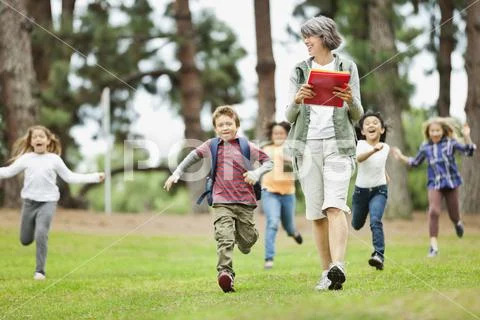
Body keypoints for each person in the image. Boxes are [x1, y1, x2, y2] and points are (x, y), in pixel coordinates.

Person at [285, 16, 363, 290]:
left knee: (335, 205)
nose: (306, 41)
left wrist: (349, 100)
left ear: (325, 37)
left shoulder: (347, 66)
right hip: (307, 146)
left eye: (311, 36)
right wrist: (298, 99)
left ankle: (339, 265)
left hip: (338, 144)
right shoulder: (298, 70)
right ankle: (326, 271)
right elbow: (289, 115)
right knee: (317, 213)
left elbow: (358, 114)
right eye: (304, 37)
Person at [164, 105, 273, 293]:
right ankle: (226, 273)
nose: (225, 127)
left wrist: (256, 173)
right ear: (215, 128)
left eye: (228, 123)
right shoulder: (212, 145)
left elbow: (269, 162)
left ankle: (244, 239)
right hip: (222, 201)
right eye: (220, 124)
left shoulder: (247, 146)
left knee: (248, 239)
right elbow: (192, 156)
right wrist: (177, 172)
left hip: (245, 202)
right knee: (224, 237)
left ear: (236, 125)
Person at [0, 125, 105, 280]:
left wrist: (95, 177)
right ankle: (33, 231)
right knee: (25, 240)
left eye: (41, 136)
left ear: (48, 141)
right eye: (34, 137)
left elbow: (70, 177)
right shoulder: (26, 159)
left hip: (47, 203)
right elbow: (7, 172)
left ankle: (40, 271)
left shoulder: (54, 160)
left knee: (42, 233)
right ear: (30, 142)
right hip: (29, 203)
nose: (38, 139)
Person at [392, 118, 476, 257]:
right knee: (433, 212)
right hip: (434, 184)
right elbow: (415, 162)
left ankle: (457, 222)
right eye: (432, 131)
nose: (435, 133)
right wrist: (401, 157)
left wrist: (466, 135)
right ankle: (433, 247)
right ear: (428, 132)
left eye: (437, 130)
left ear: (443, 131)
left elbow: (469, 151)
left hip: (451, 183)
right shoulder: (425, 147)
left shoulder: (451, 143)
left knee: (453, 214)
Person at [261, 121, 303, 270]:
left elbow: (302, 166)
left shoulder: (291, 150)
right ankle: (269, 258)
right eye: (275, 133)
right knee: (272, 222)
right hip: (270, 192)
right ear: (271, 136)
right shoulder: (266, 149)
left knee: (289, 227)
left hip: (288, 194)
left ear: (287, 135)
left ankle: (294, 233)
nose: (278, 135)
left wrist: (290, 161)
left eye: (281, 133)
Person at [351, 111, 389, 270]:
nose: (371, 125)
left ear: (382, 130)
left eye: (375, 122)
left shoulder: (385, 147)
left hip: (379, 191)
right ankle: (361, 216)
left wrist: (386, 174)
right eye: (367, 124)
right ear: (362, 131)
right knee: (356, 225)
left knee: (376, 220)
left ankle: (378, 255)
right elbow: (359, 158)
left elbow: (379, 163)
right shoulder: (360, 145)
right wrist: (374, 150)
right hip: (361, 192)